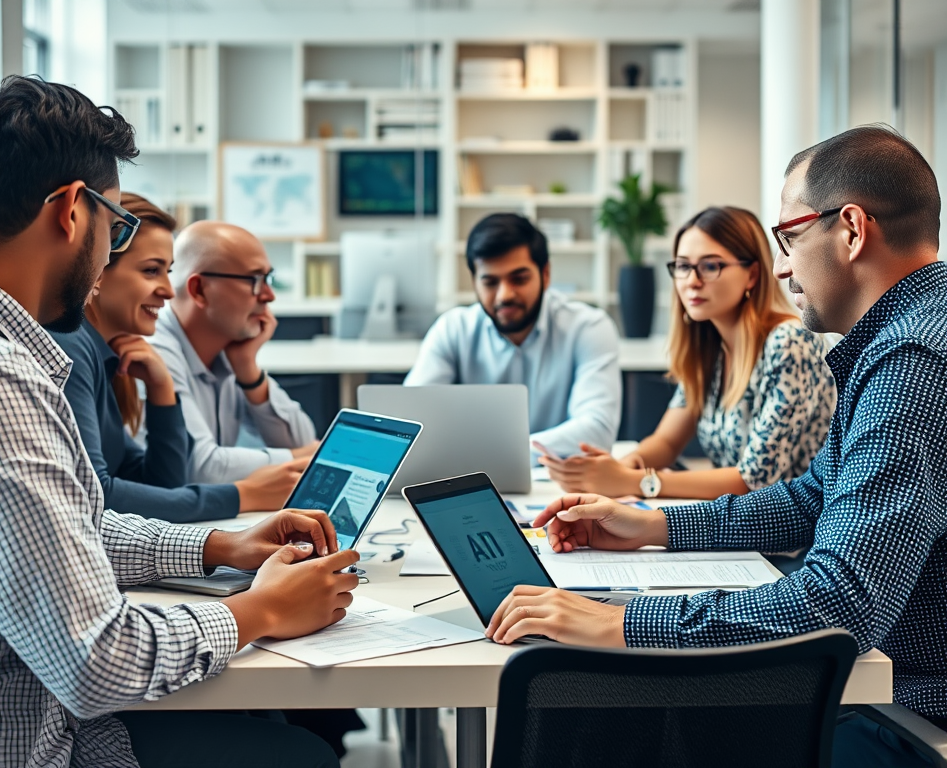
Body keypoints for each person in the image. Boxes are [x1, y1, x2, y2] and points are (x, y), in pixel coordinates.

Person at [0, 75, 359, 768]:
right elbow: (94, 660)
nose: (109, 256)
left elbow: (64, 522)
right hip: (25, 743)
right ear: (71, 210)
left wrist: (223, 546)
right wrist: (262, 611)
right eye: (117, 227)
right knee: (299, 756)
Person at [486, 125, 947, 768]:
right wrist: (651, 526)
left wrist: (615, 623)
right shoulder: (900, 340)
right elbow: (815, 499)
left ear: (851, 229)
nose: (783, 265)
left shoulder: (915, 361)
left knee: (602, 710)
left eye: (788, 238)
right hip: (884, 684)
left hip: (907, 708)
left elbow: (841, 600)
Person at [541, 206, 835, 500]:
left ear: (752, 274)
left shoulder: (790, 343)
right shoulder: (711, 349)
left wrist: (637, 482)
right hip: (740, 525)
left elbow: (754, 480)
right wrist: (618, 467)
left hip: (795, 536)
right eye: (682, 266)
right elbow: (667, 442)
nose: (691, 281)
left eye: (710, 266)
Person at [51, 193, 303, 523]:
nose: (169, 291)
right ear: (98, 270)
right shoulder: (72, 345)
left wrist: (162, 392)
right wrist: (242, 494)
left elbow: (163, 483)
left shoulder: (106, 357)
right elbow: (97, 497)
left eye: (168, 272)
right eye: (151, 271)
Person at [405, 212, 622, 460]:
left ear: (546, 274)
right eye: (490, 282)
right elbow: (412, 423)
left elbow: (597, 430)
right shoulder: (453, 329)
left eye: (519, 279)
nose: (504, 295)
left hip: (559, 487)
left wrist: (501, 454)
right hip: (472, 483)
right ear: (475, 282)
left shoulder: (588, 327)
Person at [149, 221, 319, 484]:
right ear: (199, 290)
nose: (269, 295)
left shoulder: (227, 351)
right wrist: (302, 457)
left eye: (268, 279)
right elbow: (200, 468)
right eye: (255, 280)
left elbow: (302, 438)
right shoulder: (154, 348)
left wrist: (248, 371)